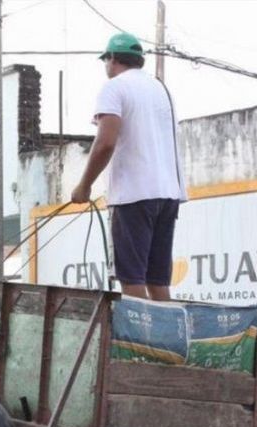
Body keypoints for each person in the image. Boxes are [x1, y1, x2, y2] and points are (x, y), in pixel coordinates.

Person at [71, 32, 187, 301]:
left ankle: (140, 342)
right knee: (157, 279)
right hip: (168, 194)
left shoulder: (114, 87)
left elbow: (105, 143)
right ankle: (163, 340)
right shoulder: (161, 89)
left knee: (131, 277)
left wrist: (84, 185)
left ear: (111, 59)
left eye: (106, 60)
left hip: (134, 195)